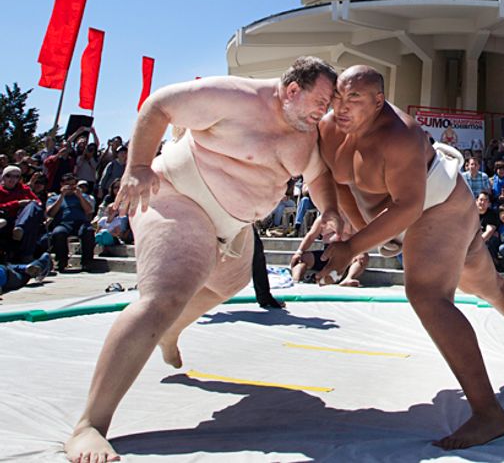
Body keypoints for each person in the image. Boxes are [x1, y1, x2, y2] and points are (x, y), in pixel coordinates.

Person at [64, 56, 338, 463]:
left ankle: (171, 330)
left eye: (328, 104)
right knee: (164, 297)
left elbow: (317, 176)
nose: (324, 111)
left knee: (228, 283)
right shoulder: (235, 96)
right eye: (320, 101)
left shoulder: (307, 132)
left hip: (235, 227)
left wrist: (329, 210)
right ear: (292, 90)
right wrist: (137, 166)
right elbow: (159, 105)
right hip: (179, 198)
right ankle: (90, 424)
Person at [309, 65, 504, 450]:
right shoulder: (330, 128)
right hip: (397, 215)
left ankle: (489, 413)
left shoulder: (401, 135)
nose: (341, 107)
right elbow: (339, 182)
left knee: (427, 294)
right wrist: (359, 232)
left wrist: (354, 247)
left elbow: (409, 207)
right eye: (338, 97)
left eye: (354, 98)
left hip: (439, 205)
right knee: (487, 285)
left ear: (378, 101)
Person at [45, 173, 96, 271]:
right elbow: (50, 213)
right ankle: (62, 260)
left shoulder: (83, 196)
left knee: (88, 231)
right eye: (68, 185)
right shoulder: (54, 198)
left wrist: (80, 197)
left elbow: (89, 210)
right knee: (58, 233)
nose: (71, 188)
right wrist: (61, 196)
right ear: (62, 185)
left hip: (80, 223)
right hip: (63, 223)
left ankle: (87, 261)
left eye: (73, 185)